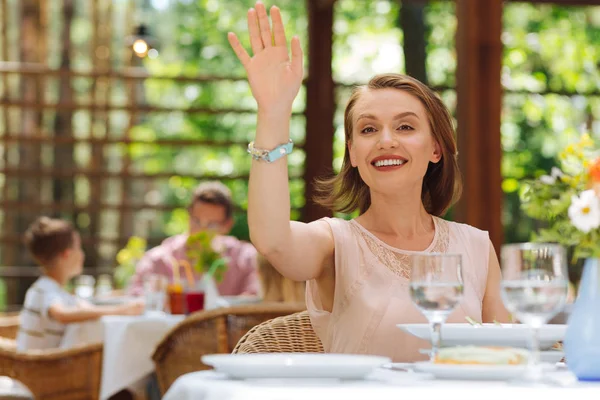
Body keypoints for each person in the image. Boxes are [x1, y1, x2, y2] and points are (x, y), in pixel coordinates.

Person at [227, 1, 510, 362]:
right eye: (368, 129)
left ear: (436, 149)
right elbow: (272, 240)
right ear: (354, 154)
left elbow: (506, 357)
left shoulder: (475, 247)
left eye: (405, 126)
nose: (386, 139)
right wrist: (273, 112)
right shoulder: (334, 243)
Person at [17, 217, 144, 352]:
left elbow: (80, 304)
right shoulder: (45, 289)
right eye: (79, 247)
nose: (82, 254)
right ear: (67, 254)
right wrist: (121, 311)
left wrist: (117, 298)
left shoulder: (49, 289)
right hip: (45, 367)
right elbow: (62, 314)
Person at [127, 181, 260, 297]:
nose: (201, 231)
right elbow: (136, 295)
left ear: (227, 225)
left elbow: (254, 299)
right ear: (188, 216)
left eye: (211, 225)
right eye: (196, 221)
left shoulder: (244, 258)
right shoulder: (160, 259)